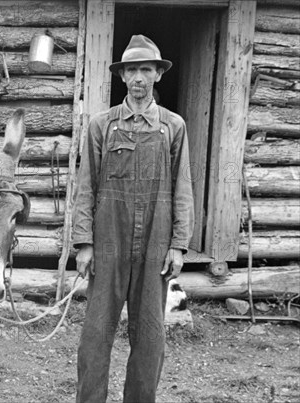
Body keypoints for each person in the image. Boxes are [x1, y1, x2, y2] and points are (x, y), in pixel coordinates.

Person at [72, 34, 194, 403]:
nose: (139, 77)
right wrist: (84, 243)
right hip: (108, 242)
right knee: (96, 333)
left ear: (158, 75)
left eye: (146, 70)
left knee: (150, 336)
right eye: (131, 71)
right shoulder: (101, 125)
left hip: (156, 244)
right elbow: (85, 187)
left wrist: (178, 245)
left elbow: (183, 187)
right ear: (122, 77)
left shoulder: (173, 126)